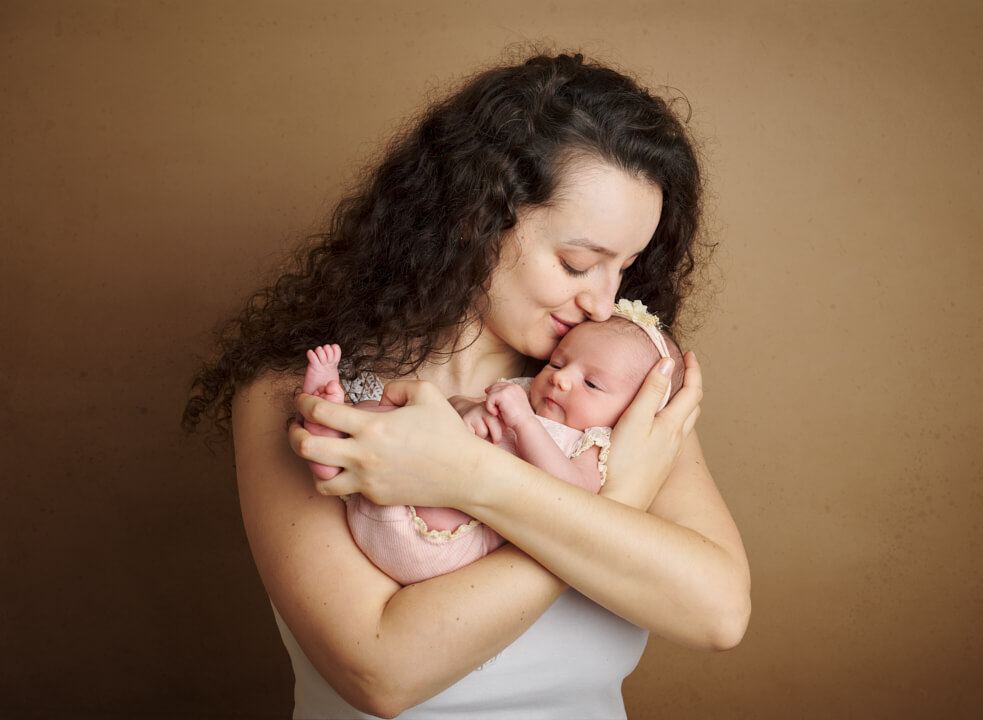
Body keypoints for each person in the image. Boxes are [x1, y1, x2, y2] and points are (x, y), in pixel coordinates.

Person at [184, 51, 750, 719]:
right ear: (471, 220)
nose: (604, 303)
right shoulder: (301, 394)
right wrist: (611, 500)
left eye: (623, 269)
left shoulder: (607, 392)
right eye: (577, 263)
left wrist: (474, 480)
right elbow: (381, 671)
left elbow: (718, 613)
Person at [301, 300, 687, 585]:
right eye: (556, 363)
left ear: (634, 411)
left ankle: (333, 436)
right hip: (380, 498)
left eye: (591, 383)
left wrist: (521, 420)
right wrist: (468, 409)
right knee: (381, 412)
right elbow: (445, 422)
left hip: (437, 540)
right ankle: (332, 430)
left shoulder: (594, 445)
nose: (561, 379)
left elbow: (572, 498)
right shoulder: (526, 392)